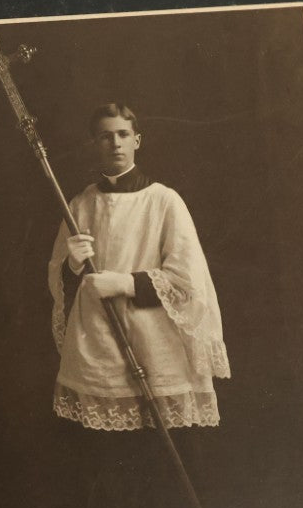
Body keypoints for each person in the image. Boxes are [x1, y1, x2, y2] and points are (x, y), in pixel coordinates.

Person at [48, 103, 230, 431]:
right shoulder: (80, 204)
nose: (115, 143)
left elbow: (187, 282)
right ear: (94, 144)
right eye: (105, 136)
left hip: (153, 343)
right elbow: (60, 286)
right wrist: (71, 265)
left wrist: (125, 283)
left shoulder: (164, 201)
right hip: (96, 344)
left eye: (123, 134)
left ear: (137, 140)